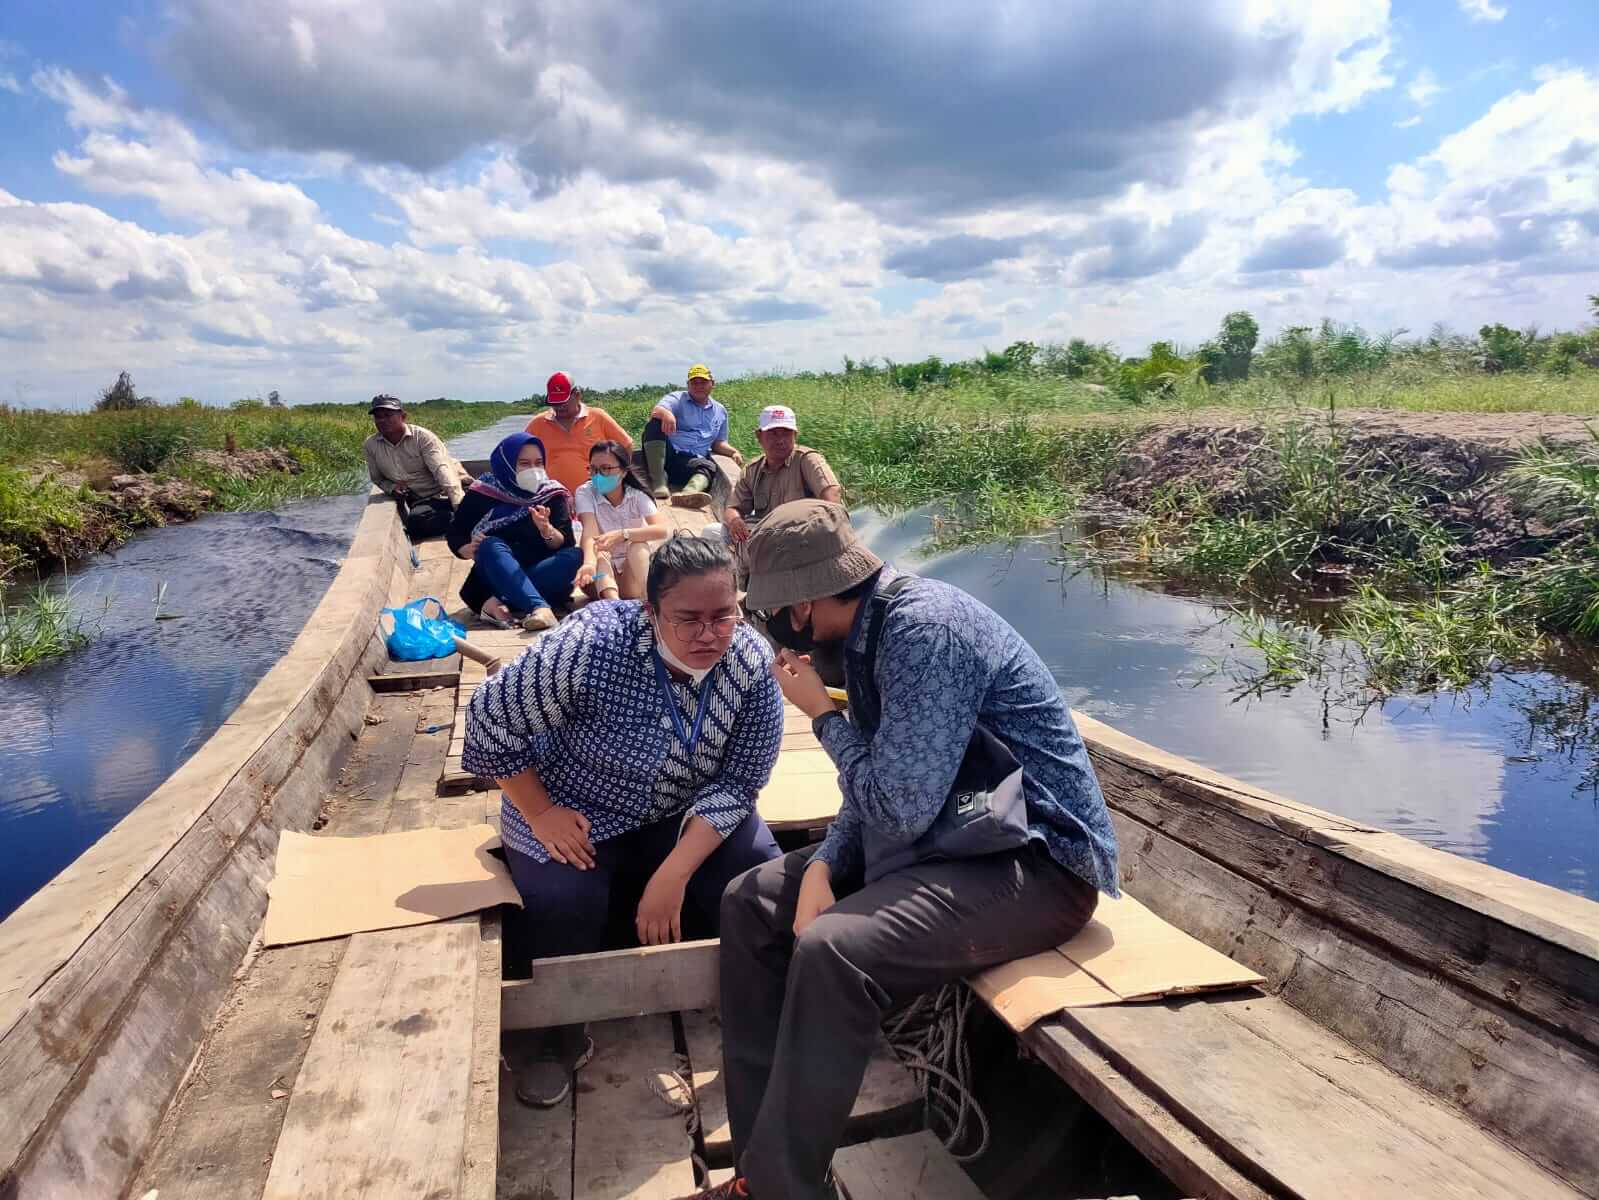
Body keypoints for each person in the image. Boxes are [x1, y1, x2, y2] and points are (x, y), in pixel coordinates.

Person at [675, 499, 1121, 1200]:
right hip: (955, 838)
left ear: (801, 606)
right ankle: (762, 1169)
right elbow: (888, 785)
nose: (772, 626)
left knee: (835, 951)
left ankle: (778, 1190)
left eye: (773, 611)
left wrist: (820, 715)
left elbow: (899, 807)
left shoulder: (923, 635)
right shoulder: (871, 629)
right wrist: (825, 862)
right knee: (752, 899)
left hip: (1036, 864)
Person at [462, 535, 784, 1108]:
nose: (708, 635)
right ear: (650, 611)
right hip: (575, 808)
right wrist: (540, 811)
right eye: (687, 619)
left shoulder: (752, 661)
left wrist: (675, 873)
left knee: (757, 868)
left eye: (723, 616)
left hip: (680, 810)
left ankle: (755, 992)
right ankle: (557, 1036)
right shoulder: (590, 645)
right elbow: (490, 721)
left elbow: (741, 781)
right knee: (564, 899)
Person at [447, 433, 581, 632]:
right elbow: (456, 533)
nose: (533, 469)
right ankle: (539, 607)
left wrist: (546, 529)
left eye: (538, 463)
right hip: (495, 572)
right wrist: (467, 549)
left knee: (576, 555)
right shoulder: (483, 492)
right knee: (489, 545)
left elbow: (565, 543)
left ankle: (503, 600)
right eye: (524, 463)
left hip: (542, 571)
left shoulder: (551, 494)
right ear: (506, 464)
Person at [573, 440, 669, 601]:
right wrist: (589, 563)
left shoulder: (637, 496)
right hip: (597, 578)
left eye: (606, 469)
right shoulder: (585, 493)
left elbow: (661, 530)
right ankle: (614, 604)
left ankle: (649, 600)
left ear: (623, 471)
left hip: (631, 578)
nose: (598, 475)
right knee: (600, 552)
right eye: (594, 469)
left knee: (638, 545)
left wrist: (623, 534)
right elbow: (590, 531)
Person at [362, 395, 471, 538]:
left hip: (453, 490)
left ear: (403, 416)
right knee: (416, 522)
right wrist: (392, 488)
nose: (382, 420)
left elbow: (443, 472)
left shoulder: (422, 437)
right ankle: (460, 519)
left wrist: (459, 507)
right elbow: (378, 479)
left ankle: (464, 516)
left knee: (470, 507)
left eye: (388, 415)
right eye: (378, 417)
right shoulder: (371, 445)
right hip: (425, 501)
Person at [642, 363, 744, 509]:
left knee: (709, 467)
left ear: (712, 384)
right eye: (694, 383)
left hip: (689, 462)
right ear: (688, 385)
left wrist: (733, 452)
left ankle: (688, 494)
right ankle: (659, 482)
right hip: (666, 456)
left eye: (703, 382)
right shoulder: (678, 398)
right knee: (654, 424)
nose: (699, 386)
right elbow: (657, 410)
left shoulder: (720, 411)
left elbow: (718, 443)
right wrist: (667, 414)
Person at [524, 371, 634, 494]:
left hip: (596, 495)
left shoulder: (598, 417)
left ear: (577, 395)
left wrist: (620, 479)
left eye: (563, 402)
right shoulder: (538, 423)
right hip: (553, 496)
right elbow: (519, 454)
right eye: (555, 403)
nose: (559, 407)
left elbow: (626, 444)